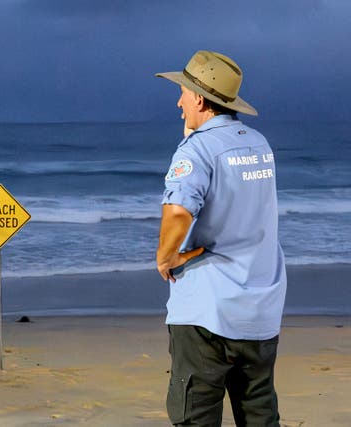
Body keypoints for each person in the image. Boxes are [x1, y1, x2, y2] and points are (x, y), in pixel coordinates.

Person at [154, 50, 286, 426]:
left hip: (208, 314)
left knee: (194, 418)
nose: (178, 102)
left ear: (198, 98)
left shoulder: (197, 150)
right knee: (261, 418)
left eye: (182, 92)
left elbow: (179, 211)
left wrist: (167, 258)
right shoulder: (259, 145)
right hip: (260, 309)